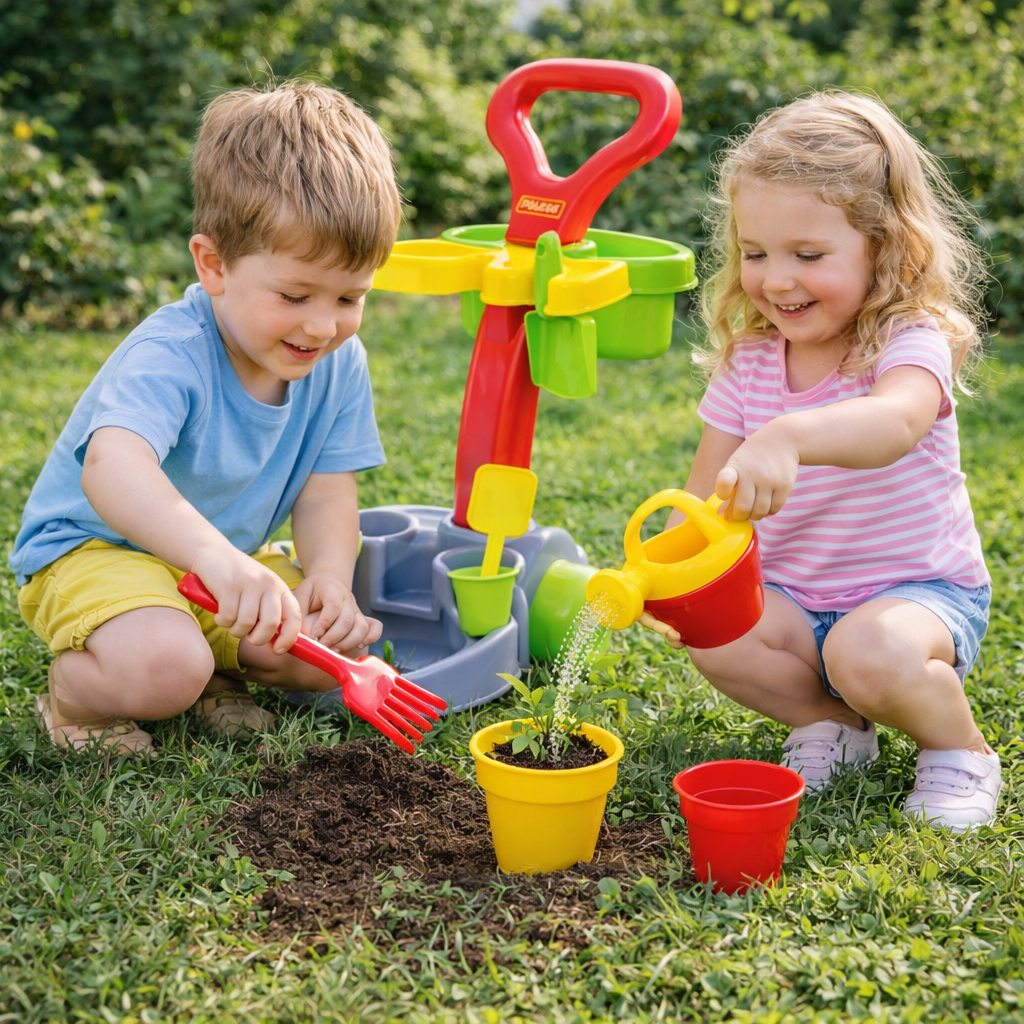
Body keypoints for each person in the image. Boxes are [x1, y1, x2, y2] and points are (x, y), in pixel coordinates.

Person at [9, 80, 403, 755]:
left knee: (325, 653)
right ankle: (77, 696)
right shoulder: (173, 353)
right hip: (100, 553)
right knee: (166, 667)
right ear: (214, 264)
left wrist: (329, 578)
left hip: (222, 566)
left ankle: (215, 672)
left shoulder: (338, 360)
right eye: (295, 295)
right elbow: (113, 467)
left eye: (349, 298)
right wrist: (215, 559)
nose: (322, 325)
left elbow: (327, 492)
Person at [643, 90, 999, 831]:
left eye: (807, 255)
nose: (777, 278)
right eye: (755, 253)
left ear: (885, 246)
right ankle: (832, 725)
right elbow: (703, 498)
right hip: (793, 602)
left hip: (913, 600)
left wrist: (790, 436)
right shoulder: (749, 361)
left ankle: (957, 750)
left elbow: (896, 424)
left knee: (865, 652)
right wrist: (664, 578)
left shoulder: (907, 340)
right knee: (718, 638)